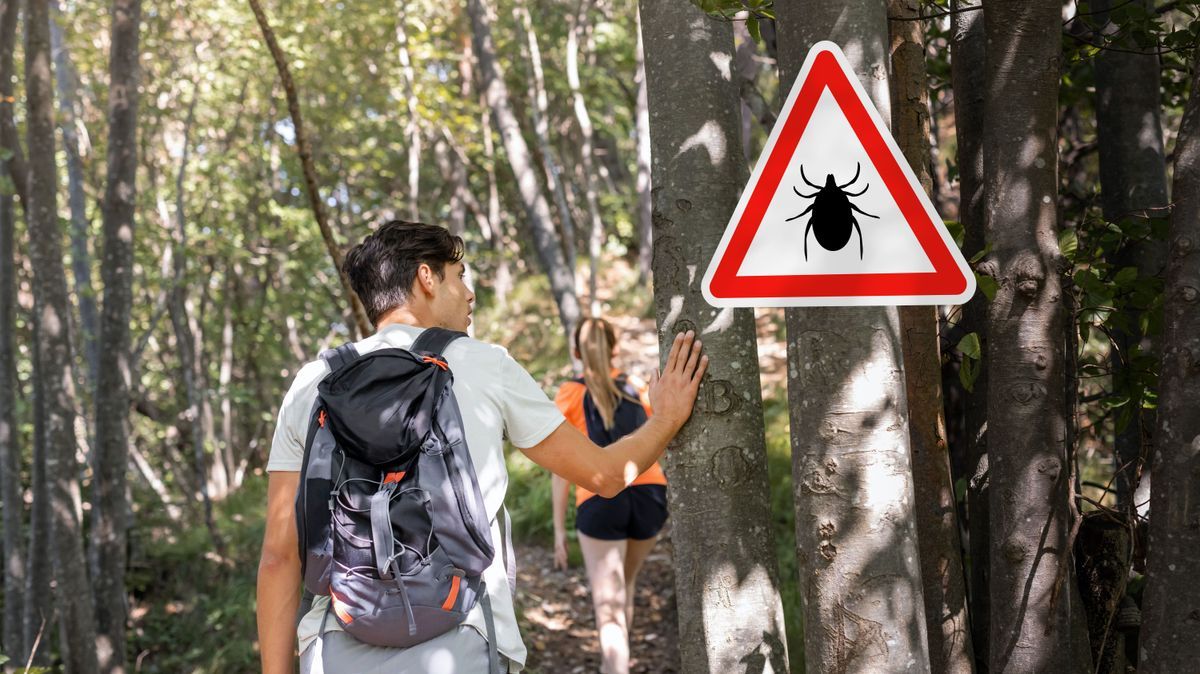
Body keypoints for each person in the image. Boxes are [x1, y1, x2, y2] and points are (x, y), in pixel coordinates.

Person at [256, 220, 708, 674]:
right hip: (463, 642)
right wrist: (667, 416)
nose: (470, 294)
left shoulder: (313, 384)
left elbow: (279, 556)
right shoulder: (485, 364)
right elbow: (606, 476)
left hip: (337, 645)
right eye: (460, 275)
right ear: (426, 278)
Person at [552, 317, 667, 674]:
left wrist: (559, 530)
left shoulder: (570, 393)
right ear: (615, 348)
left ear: (575, 351)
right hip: (651, 495)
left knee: (608, 608)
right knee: (624, 587)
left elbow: (560, 467)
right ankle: (616, 662)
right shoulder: (636, 385)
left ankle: (615, 667)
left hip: (600, 495)